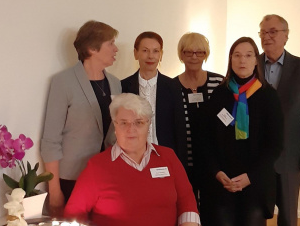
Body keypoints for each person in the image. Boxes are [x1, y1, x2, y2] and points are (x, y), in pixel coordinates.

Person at [64, 93, 200, 226]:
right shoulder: (97, 167)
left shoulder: (168, 157)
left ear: (148, 125)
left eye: (139, 122)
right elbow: (73, 213)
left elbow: (186, 199)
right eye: (124, 123)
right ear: (115, 126)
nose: (131, 129)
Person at [199, 37, 283, 226]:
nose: (242, 60)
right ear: (230, 60)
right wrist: (217, 172)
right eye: (237, 55)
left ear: (256, 60)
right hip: (223, 183)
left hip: (255, 182)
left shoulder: (268, 96)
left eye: (248, 55)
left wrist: (250, 177)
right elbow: (206, 139)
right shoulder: (220, 94)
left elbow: (275, 145)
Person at [40, 20, 121, 216]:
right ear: (92, 48)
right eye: (110, 43)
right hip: (72, 179)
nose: (116, 48)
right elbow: (51, 140)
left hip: (107, 175)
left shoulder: (115, 83)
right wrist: (55, 190)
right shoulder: (63, 82)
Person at [258, 14, 300, 226]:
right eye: (263, 32)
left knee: (287, 215)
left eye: (273, 32)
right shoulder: (250, 64)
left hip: (290, 155)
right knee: (256, 212)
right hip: (256, 155)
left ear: (286, 36)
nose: (267, 37)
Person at [110, 31, 187, 167]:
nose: (150, 56)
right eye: (145, 51)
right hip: (132, 156)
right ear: (136, 53)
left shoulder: (173, 86)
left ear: (161, 55)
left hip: (164, 154)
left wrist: (180, 163)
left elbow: (179, 128)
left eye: (155, 51)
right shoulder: (123, 86)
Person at [174, 32, 223, 205]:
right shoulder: (172, 87)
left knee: (213, 208)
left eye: (199, 52)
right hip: (183, 160)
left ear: (206, 54)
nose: (194, 57)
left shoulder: (219, 83)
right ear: (181, 54)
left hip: (215, 160)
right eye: (188, 52)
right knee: (187, 206)